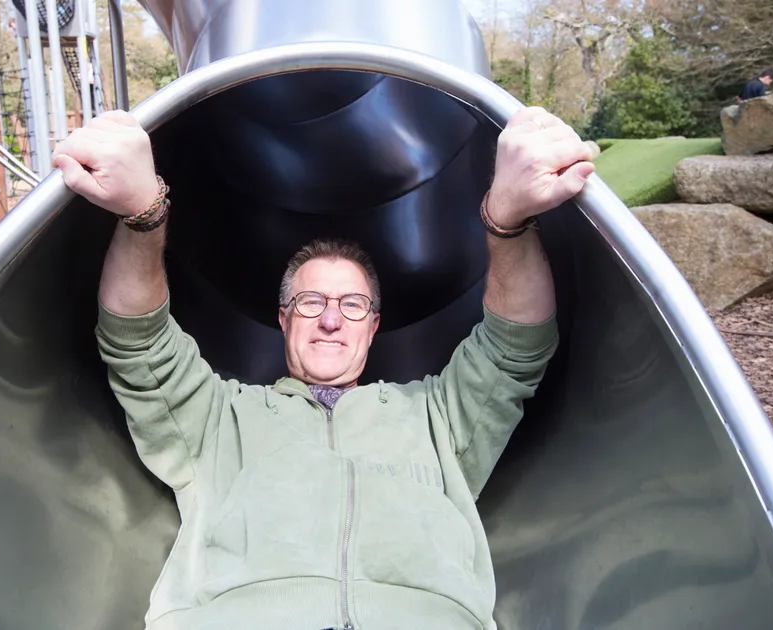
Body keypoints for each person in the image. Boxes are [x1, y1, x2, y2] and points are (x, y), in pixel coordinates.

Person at [52, 106, 597, 629]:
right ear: (284, 320)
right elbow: (138, 342)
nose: (331, 320)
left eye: (352, 305)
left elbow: (515, 345)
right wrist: (143, 215)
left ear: (373, 325)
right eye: (311, 303)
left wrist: (507, 220)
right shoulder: (219, 418)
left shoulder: (437, 417)